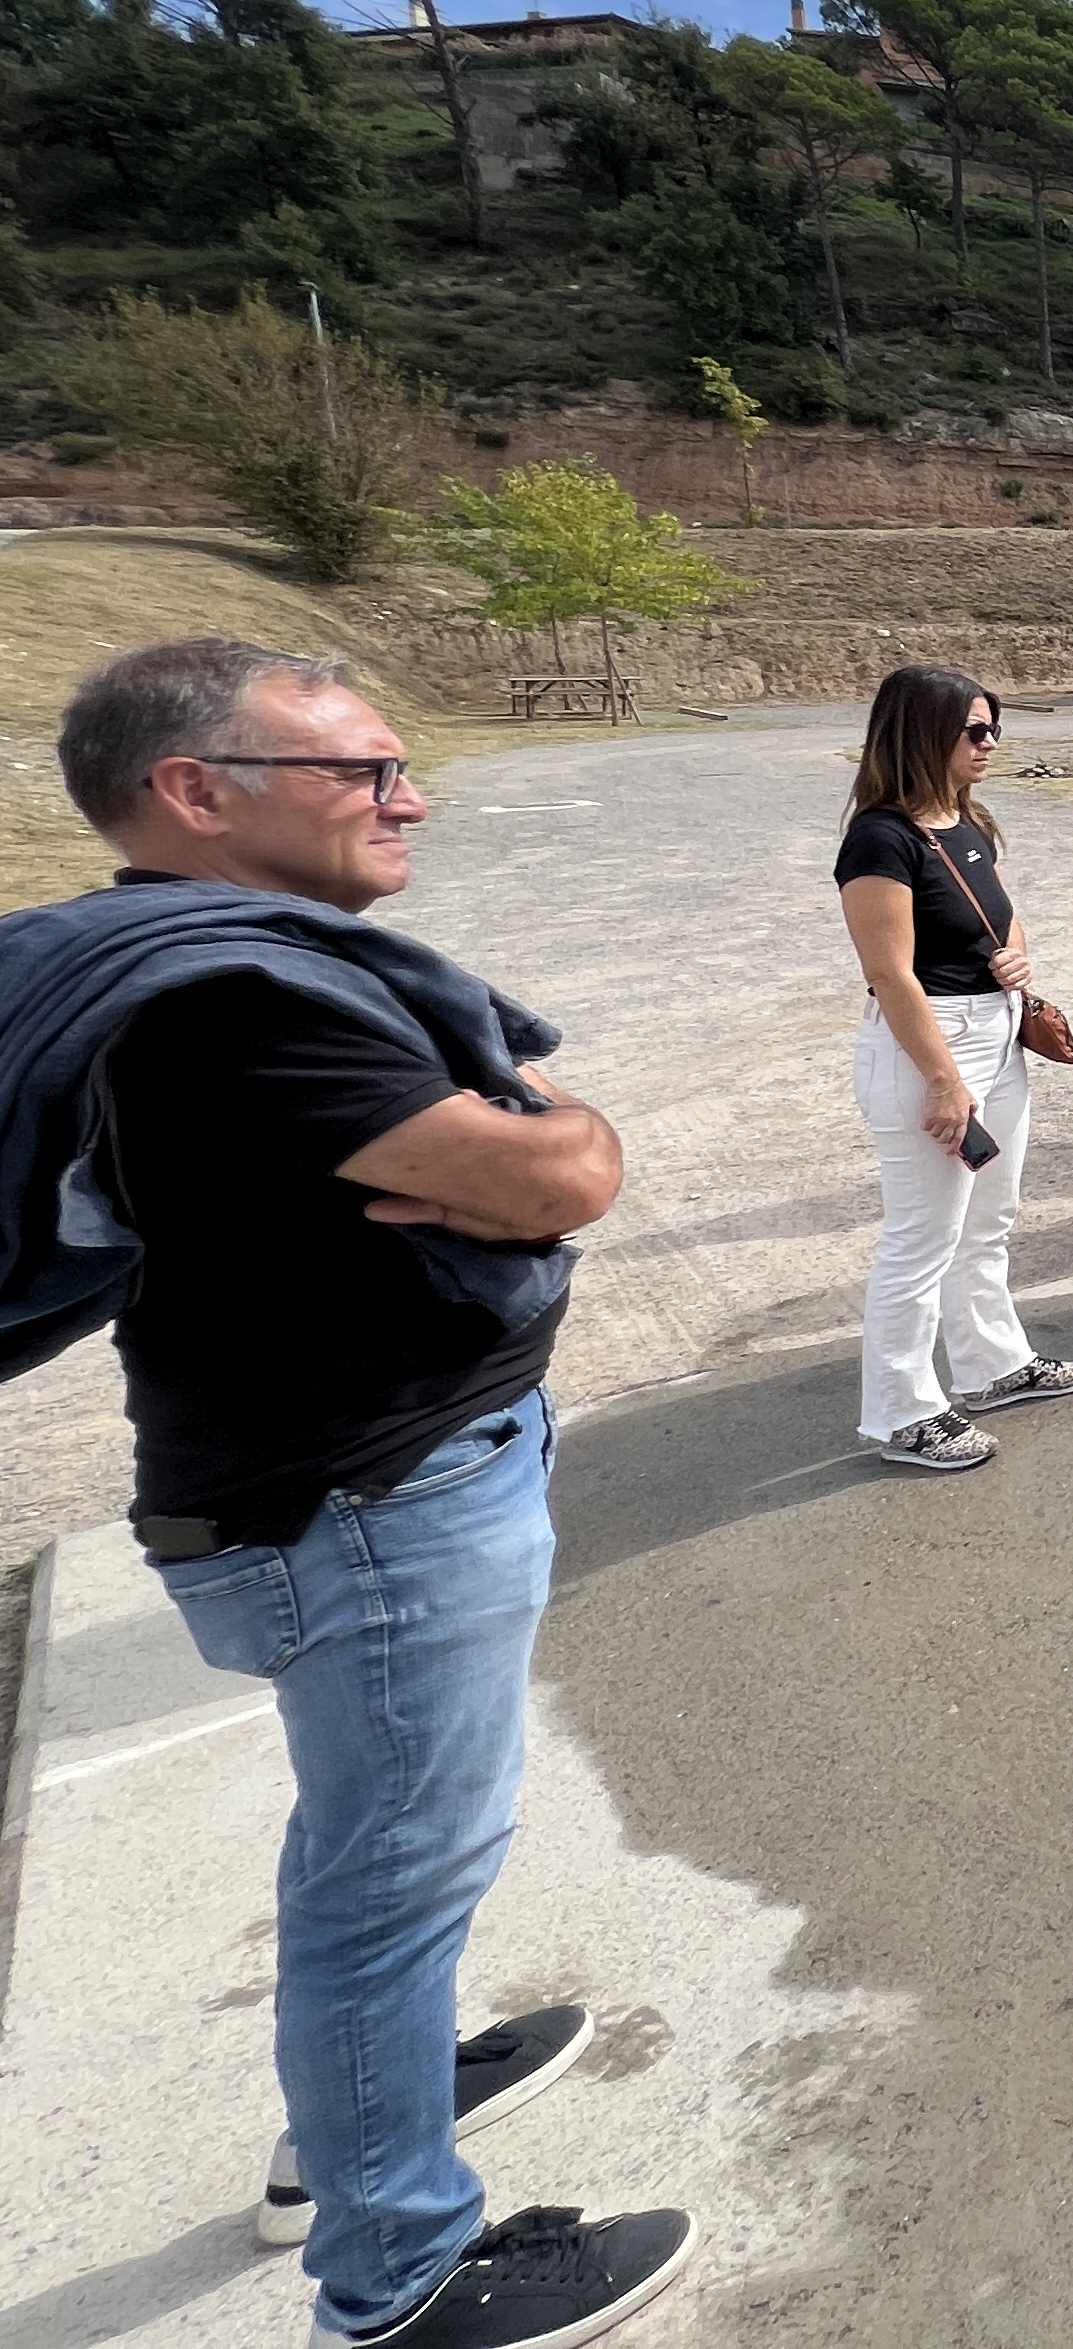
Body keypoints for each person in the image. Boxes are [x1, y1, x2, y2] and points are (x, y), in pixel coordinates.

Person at [0, 638, 690, 2348]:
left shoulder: (220, 969)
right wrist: (553, 1141)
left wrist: (527, 1150)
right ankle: (398, 2271)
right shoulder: (233, 1012)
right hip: (370, 1501)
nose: (410, 796)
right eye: (362, 770)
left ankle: (367, 2102)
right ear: (195, 790)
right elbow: (560, 1170)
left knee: (394, 1856)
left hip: (365, 1479)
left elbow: (525, 1166)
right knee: (388, 1880)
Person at [836, 667, 1073, 1471]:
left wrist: (1015, 961)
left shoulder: (965, 819)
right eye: (974, 731)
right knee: (922, 1237)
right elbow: (890, 974)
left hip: (996, 1032)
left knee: (988, 1219)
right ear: (922, 735)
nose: (990, 745)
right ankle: (902, 1411)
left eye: (994, 730)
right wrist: (945, 1080)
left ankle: (992, 1364)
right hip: (930, 1044)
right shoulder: (880, 839)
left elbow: (1003, 919)